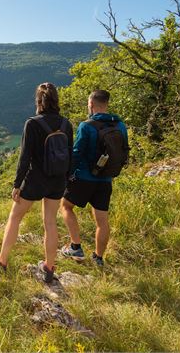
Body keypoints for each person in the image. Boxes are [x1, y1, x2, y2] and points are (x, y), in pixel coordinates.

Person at [0, 82, 73, 283]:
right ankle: (49, 268)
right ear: (56, 99)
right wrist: (67, 180)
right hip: (57, 179)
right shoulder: (66, 124)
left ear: (38, 101)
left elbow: (24, 157)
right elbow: (70, 154)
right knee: (50, 223)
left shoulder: (32, 123)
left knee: (14, 218)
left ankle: (2, 262)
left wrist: (17, 184)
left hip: (35, 180)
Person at [60, 90, 128, 267]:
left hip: (83, 177)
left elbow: (76, 153)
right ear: (106, 104)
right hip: (105, 180)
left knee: (66, 207)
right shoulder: (120, 125)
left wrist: (68, 175)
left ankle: (76, 246)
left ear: (91, 104)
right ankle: (98, 258)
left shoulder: (87, 125)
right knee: (102, 220)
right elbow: (124, 151)